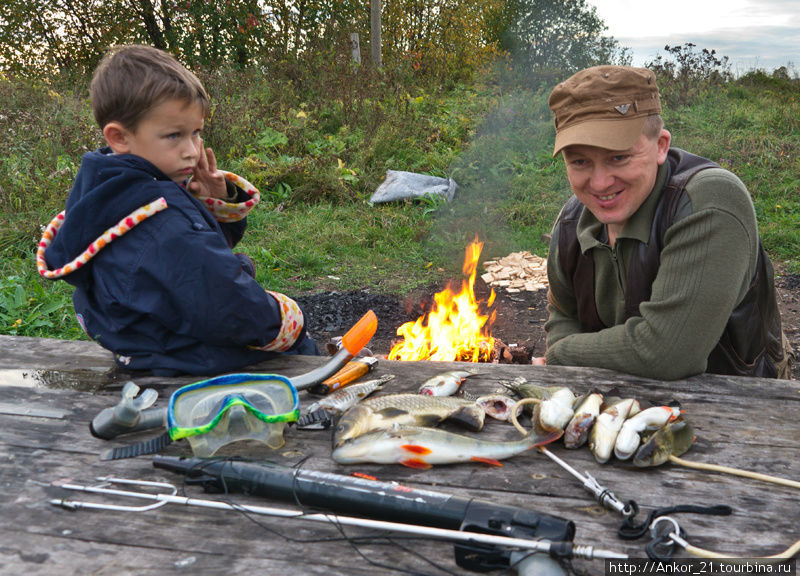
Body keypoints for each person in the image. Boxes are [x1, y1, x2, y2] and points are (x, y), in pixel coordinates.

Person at [37, 44, 318, 376]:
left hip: (147, 344)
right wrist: (287, 321)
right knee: (304, 358)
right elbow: (225, 304)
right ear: (120, 137)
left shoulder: (115, 191)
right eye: (174, 136)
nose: (191, 151)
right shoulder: (159, 221)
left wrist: (213, 200)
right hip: (186, 359)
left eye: (196, 133)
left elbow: (194, 250)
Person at [537, 65, 792, 380]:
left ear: (660, 146)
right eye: (579, 161)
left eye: (618, 157)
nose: (600, 183)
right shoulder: (571, 223)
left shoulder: (710, 202)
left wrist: (561, 353)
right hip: (619, 403)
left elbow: (665, 353)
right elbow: (563, 313)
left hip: (736, 406)